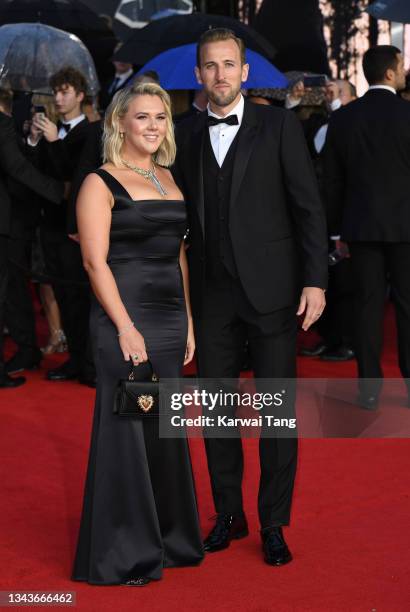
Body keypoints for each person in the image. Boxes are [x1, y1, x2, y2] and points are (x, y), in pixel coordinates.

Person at [174, 29, 328, 566]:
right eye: (210, 66)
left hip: (272, 294)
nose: (219, 74)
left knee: (276, 415)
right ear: (199, 75)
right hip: (212, 295)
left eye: (229, 64)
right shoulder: (185, 135)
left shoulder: (279, 125)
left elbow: (308, 208)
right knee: (217, 414)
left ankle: (274, 522)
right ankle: (230, 515)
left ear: (245, 71)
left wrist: (316, 280)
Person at [72, 82, 204, 586]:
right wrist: (126, 327)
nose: (153, 126)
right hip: (123, 322)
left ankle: (168, 538)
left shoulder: (170, 178)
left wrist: (188, 318)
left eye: (161, 118)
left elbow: (178, 254)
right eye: (143, 117)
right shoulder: (99, 183)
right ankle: (126, 550)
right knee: (128, 428)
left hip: (169, 321)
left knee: (162, 427)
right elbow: (93, 260)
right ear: (120, 123)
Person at [324, 45, 410, 409]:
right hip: (407, 228)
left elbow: (331, 180)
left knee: (367, 307)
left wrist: (333, 231)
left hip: (359, 227)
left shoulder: (344, 119)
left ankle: (369, 388)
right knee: (408, 307)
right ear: (390, 73)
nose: (405, 71)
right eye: (402, 66)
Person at [29, 67, 95, 385]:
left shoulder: (90, 133)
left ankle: (89, 364)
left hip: (76, 229)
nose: (58, 97)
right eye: (55, 91)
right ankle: (75, 360)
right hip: (50, 226)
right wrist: (35, 139)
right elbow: (40, 175)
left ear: (80, 95)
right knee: (64, 298)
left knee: (81, 299)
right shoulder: (54, 131)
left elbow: (74, 177)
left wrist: (55, 142)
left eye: (65, 91)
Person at [0, 88, 63, 388]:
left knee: (13, 289)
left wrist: (32, 141)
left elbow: (18, 166)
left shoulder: (10, 124)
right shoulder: (5, 125)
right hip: (11, 220)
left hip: (18, 221)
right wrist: (58, 192)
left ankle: (26, 350)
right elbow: (16, 167)